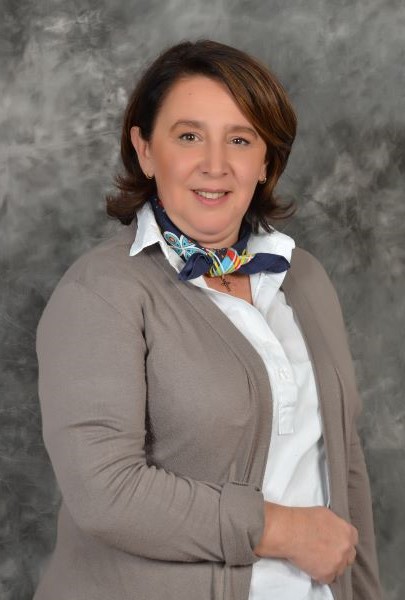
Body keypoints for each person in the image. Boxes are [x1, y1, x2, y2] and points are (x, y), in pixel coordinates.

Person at [34, 39, 382, 600]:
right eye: (189, 136)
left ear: (265, 161)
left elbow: (344, 468)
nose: (214, 165)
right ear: (145, 150)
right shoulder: (99, 293)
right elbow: (106, 491)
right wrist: (282, 531)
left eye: (239, 140)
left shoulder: (305, 279)